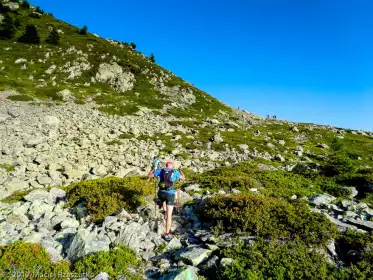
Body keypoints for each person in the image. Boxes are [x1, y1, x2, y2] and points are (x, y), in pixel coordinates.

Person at [148, 161, 185, 241]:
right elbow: (183, 178)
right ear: (172, 166)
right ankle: (167, 233)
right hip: (170, 194)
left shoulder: (160, 170)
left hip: (161, 193)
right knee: (169, 214)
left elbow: (149, 176)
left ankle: (164, 211)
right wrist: (181, 171)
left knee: (163, 199)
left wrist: (152, 169)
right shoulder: (175, 172)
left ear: (166, 166)